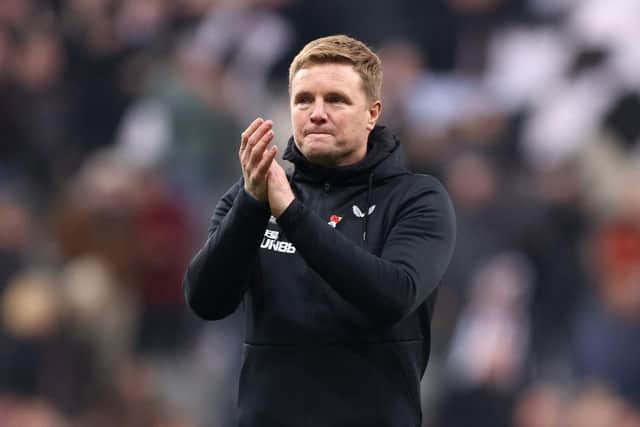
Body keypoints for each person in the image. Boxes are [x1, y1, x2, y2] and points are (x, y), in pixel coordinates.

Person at [183, 34, 456, 427]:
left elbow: (393, 295)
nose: (316, 113)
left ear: (372, 113)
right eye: (303, 99)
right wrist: (251, 204)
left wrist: (291, 214)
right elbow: (206, 300)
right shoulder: (254, 195)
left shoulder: (416, 198)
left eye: (336, 100)